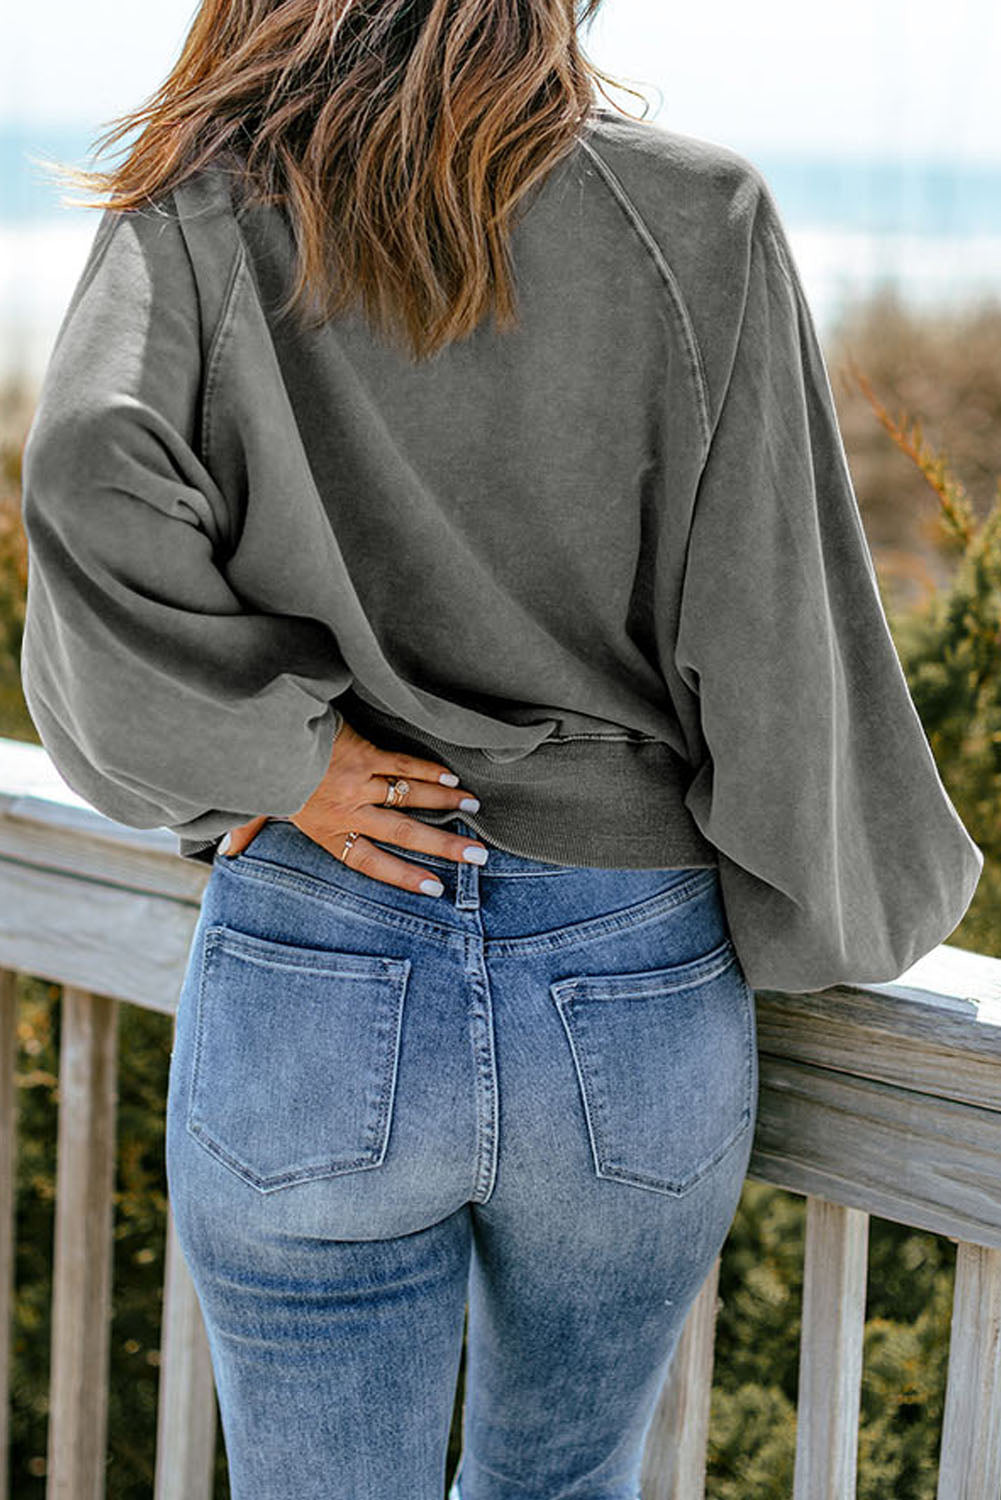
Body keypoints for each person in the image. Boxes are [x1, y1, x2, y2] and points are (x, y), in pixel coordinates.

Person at [17, 0, 982, 1494]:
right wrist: (840, 908)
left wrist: (285, 761)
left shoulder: (197, 205)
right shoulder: (696, 214)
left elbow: (90, 484)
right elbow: (770, 617)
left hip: (320, 951)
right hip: (629, 982)